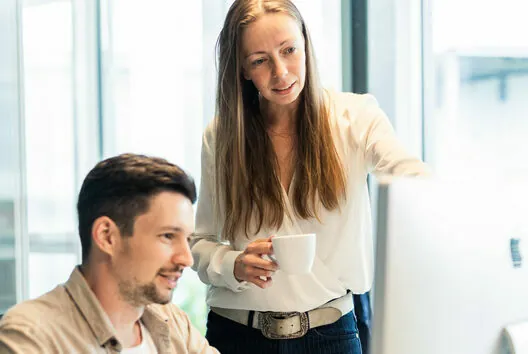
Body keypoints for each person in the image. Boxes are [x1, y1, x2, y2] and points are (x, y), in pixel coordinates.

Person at [191, 0, 430, 353]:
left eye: (289, 50)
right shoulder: (221, 136)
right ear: (242, 69)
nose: (281, 72)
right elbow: (201, 243)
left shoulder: (356, 118)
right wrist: (234, 264)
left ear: (306, 44)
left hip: (331, 334)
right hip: (237, 335)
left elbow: (412, 181)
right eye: (260, 60)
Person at [0, 154, 219, 354]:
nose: (186, 258)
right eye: (168, 236)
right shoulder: (31, 337)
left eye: (188, 240)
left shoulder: (173, 322)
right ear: (106, 237)